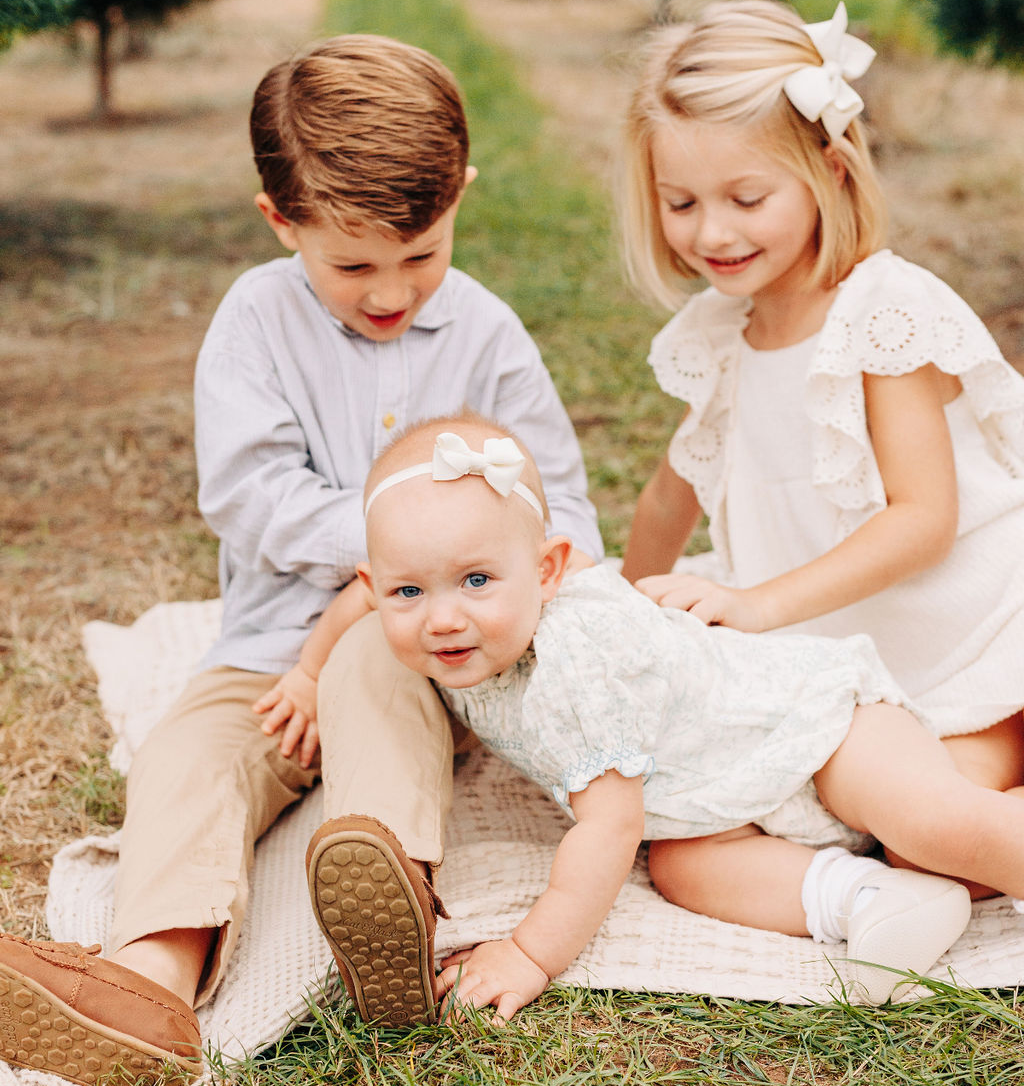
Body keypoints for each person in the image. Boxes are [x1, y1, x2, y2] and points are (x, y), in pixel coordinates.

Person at [0, 36, 601, 1086]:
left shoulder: (490, 337)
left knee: (379, 668)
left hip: (428, 652)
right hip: (273, 647)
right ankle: (154, 978)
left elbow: (559, 497)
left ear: (459, 195)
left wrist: (471, 584)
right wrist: (394, 545)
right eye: (353, 265)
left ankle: (388, 896)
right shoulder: (255, 321)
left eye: (420, 256)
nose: (391, 291)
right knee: (192, 755)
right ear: (281, 222)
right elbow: (250, 496)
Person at [309, 411, 1024, 1022]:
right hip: (709, 806)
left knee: (935, 826)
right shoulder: (445, 614)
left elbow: (611, 824)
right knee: (683, 869)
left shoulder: (576, 660)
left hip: (816, 732)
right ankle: (871, 896)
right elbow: (357, 603)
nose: (443, 618)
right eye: (410, 591)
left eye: (476, 581)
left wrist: (529, 951)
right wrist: (308, 671)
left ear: (550, 570)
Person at [619, 0, 1024, 823]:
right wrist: (621, 639)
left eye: (745, 196)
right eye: (682, 202)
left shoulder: (879, 315)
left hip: (966, 643)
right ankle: (887, 875)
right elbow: (671, 495)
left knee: (923, 826)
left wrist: (760, 607)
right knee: (720, 828)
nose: (713, 232)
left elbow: (924, 521)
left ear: (828, 175)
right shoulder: (725, 331)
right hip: (838, 653)